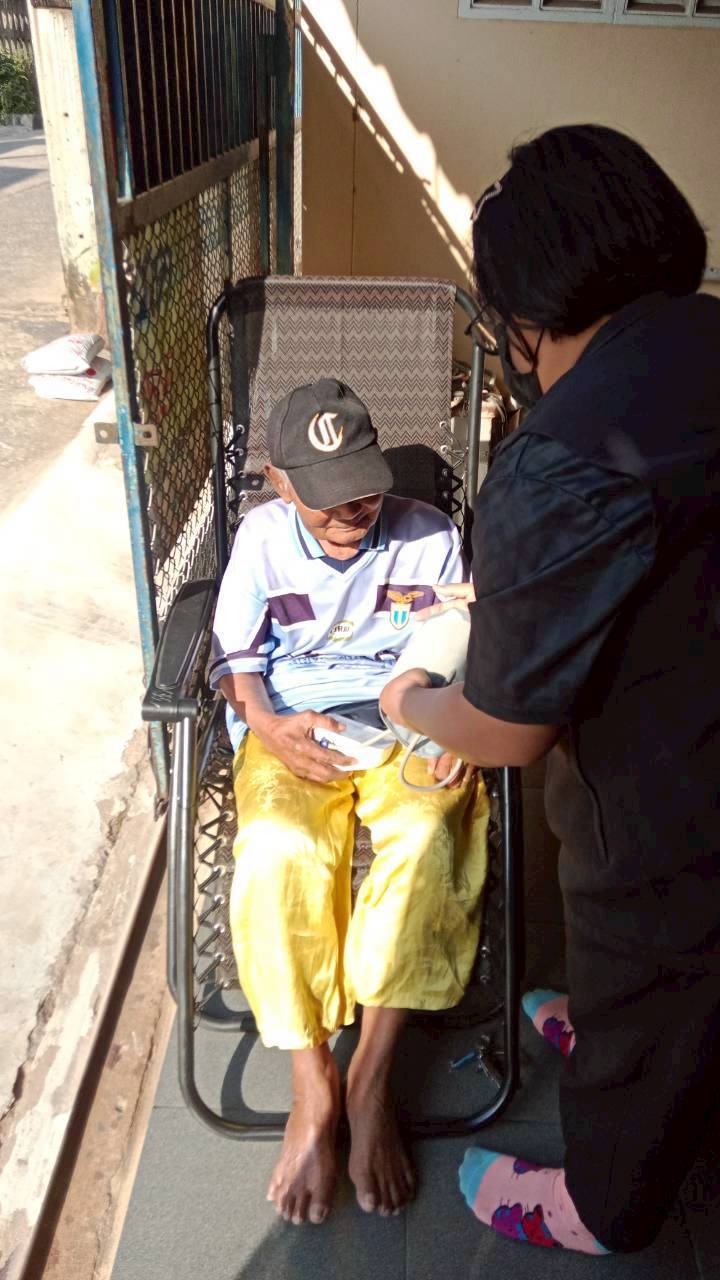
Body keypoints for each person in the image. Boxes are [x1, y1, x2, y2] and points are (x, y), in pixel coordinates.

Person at [380, 124, 720, 1255]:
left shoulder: (565, 455)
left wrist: (407, 698)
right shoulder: (705, 337)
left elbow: (504, 729)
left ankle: (604, 1202)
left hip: (674, 814)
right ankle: (632, 1043)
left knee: (651, 963)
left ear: (521, 315)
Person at [209, 377, 489, 1226]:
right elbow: (236, 660)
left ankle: (369, 1078)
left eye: (361, 489)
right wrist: (267, 724)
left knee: (432, 833)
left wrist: (453, 722)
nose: (349, 512)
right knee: (276, 848)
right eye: (323, 497)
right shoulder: (262, 540)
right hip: (295, 718)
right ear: (278, 481)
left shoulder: (427, 535)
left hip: (408, 712)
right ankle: (314, 1081)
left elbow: (457, 638)